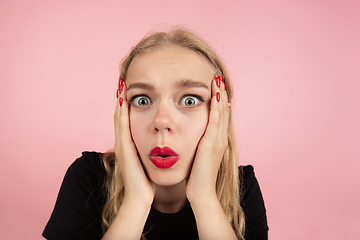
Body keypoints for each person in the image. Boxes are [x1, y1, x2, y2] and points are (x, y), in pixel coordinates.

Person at [42, 27, 268, 240]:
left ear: (221, 116)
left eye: (190, 100)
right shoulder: (88, 177)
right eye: (142, 100)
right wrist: (136, 202)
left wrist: (204, 198)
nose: (161, 121)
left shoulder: (242, 188)